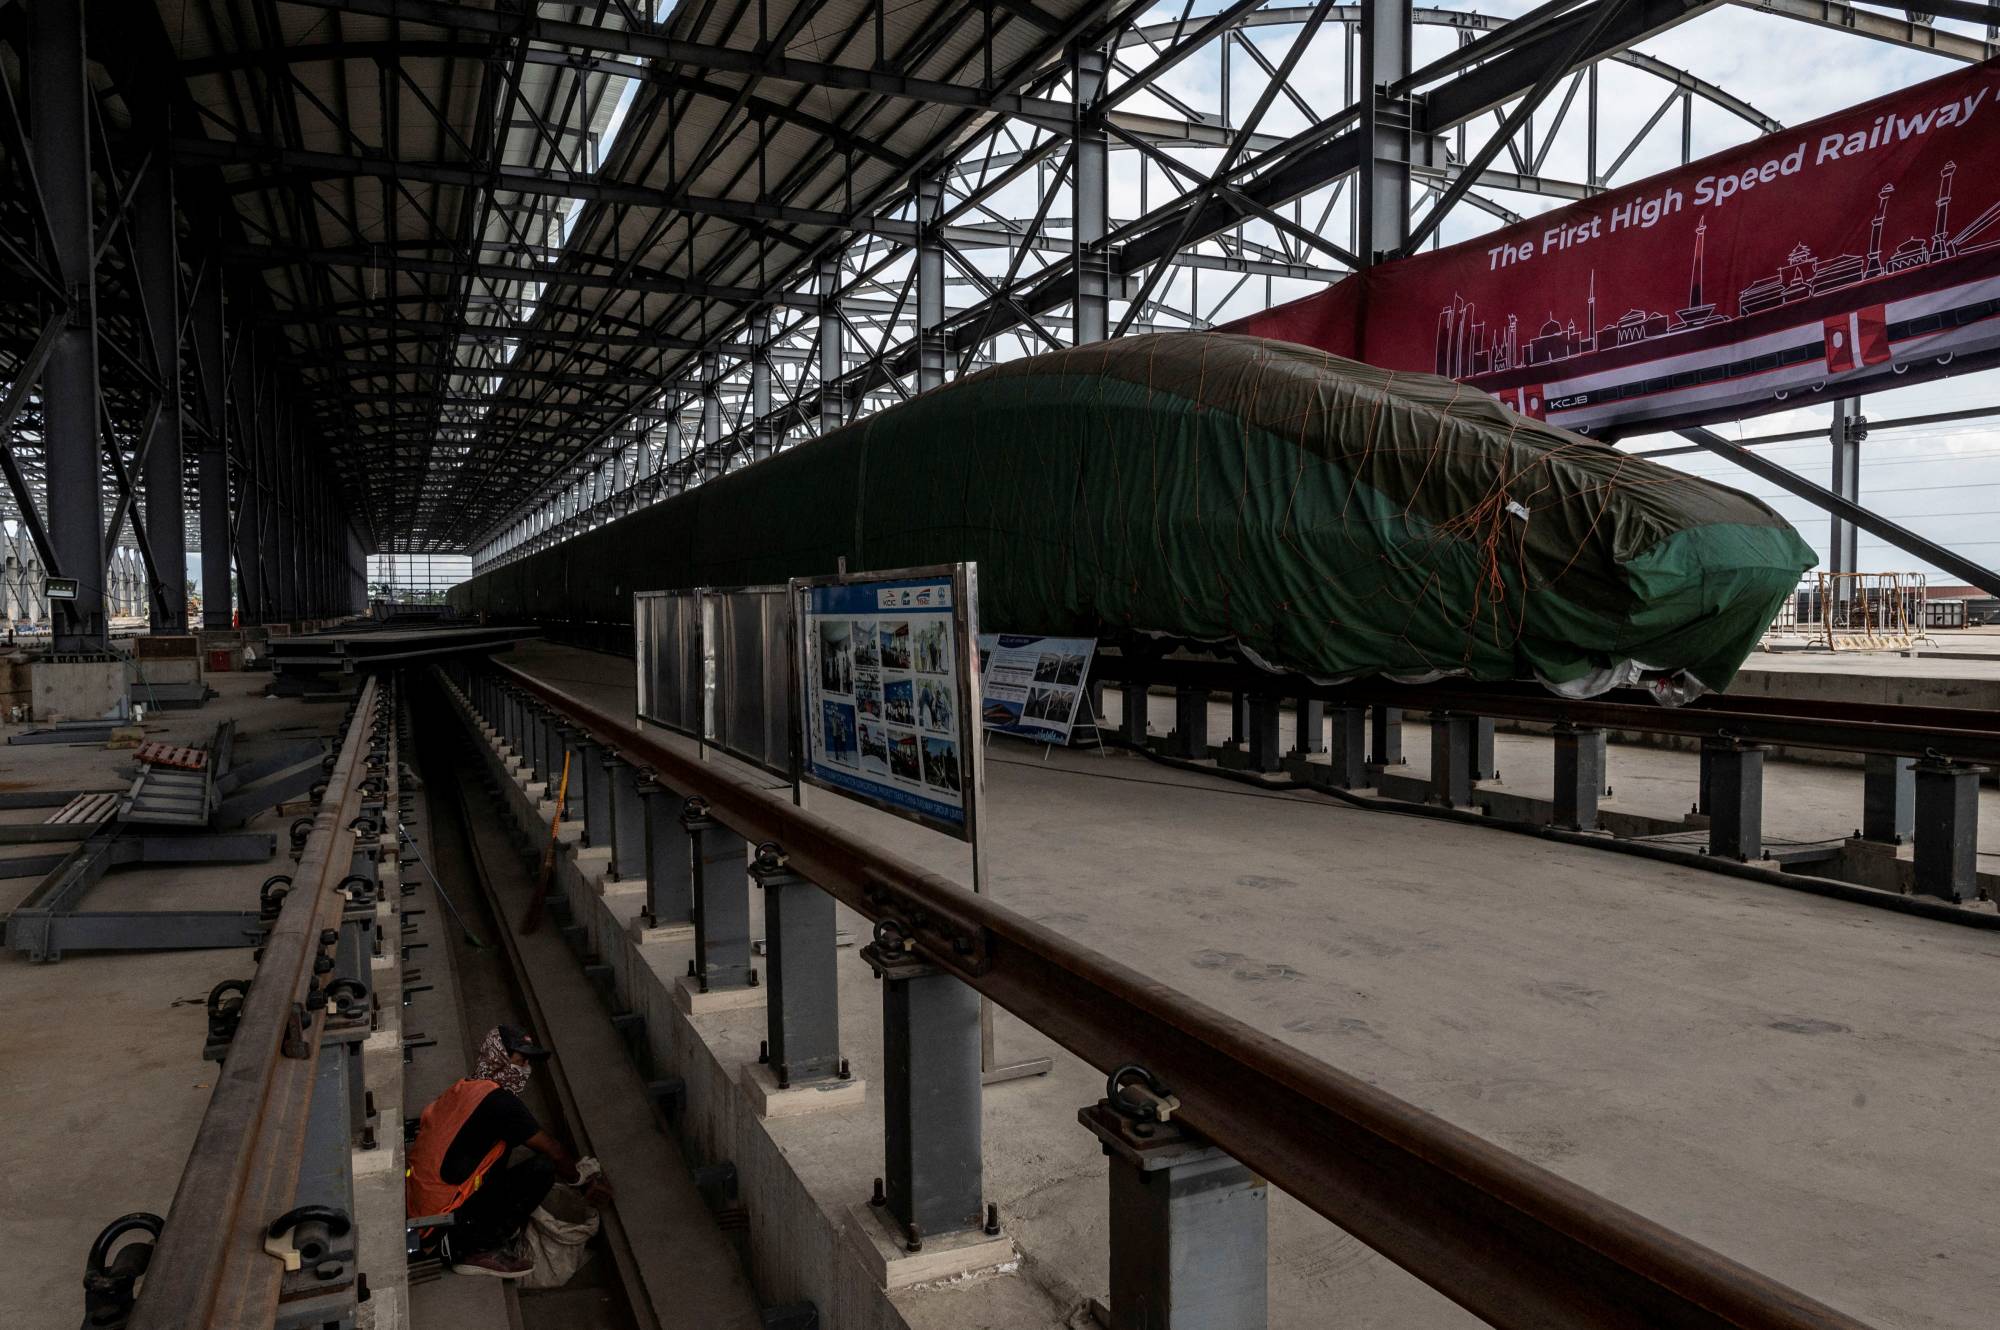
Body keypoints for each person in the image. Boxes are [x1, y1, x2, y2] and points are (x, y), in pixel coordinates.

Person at [405, 1025, 610, 1277]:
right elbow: (553, 1151)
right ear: (498, 1055)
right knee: (542, 1169)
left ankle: (475, 1233)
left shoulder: (467, 1087)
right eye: (520, 1059)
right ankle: (476, 1249)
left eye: (527, 1062)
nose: (525, 1068)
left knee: (506, 1154)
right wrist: (580, 1179)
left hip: (421, 1209)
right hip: (440, 1225)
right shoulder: (500, 1103)